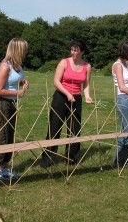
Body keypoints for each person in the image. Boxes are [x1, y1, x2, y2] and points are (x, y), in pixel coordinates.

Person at [40, 39, 93, 168]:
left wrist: (87, 96)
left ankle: (72, 158)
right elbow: (56, 81)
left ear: (82, 52)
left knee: (74, 129)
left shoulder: (87, 66)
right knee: (55, 127)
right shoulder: (64, 62)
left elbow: (86, 84)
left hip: (76, 99)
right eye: (72, 49)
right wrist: (67, 94)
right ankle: (47, 159)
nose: (73, 52)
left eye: (76, 50)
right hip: (61, 96)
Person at [0, 38, 29, 181]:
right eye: (24, 49)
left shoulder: (17, 65)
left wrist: (24, 82)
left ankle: (6, 165)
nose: (26, 52)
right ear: (17, 50)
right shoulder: (5, 66)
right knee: (1, 135)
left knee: (10, 135)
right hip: (2, 104)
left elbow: (17, 79)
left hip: (12, 103)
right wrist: (17, 93)